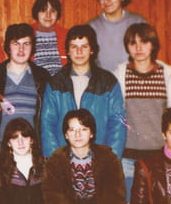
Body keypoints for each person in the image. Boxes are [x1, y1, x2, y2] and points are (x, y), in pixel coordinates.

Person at [113, 22, 171, 201]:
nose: (138, 48)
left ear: (153, 45)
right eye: (133, 43)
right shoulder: (118, 76)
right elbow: (115, 117)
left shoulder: (170, 76)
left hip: (160, 156)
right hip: (127, 156)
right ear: (127, 47)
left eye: (144, 42)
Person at [40, 24, 125, 159]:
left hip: (99, 160)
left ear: (92, 50)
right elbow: (47, 126)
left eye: (84, 46)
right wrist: (56, 162)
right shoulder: (55, 83)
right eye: (74, 47)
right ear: (68, 51)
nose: (79, 52)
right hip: (63, 160)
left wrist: (109, 161)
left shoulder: (108, 82)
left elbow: (117, 125)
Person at [0, 23, 51, 159]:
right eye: (16, 44)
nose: (21, 49)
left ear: (32, 47)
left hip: (33, 155)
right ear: (8, 47)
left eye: (26, 44)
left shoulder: (43, 78)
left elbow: (47, 121)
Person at [87, 0, 147, 73]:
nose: (106, 0)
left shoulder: (137, 22)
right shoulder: (91, 27)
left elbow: (147, 54)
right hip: (103, 80)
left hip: (134, 78)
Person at [30, 0, 68, 76]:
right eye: (43, 10)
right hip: (35, 81)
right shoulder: (27, 34)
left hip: (61, 81)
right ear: (36, 12)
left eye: (52, 11)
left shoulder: (67, 35)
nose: (48, 15)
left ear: (57, 13)